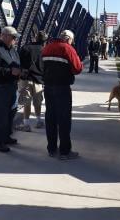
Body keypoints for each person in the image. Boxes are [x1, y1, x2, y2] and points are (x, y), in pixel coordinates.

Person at [42, 30, 83, 159]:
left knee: (50, 118)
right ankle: (64, 151)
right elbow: (77, 69)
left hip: (48, 87)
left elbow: (40, 66)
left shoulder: (47, 47)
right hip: (62, 88)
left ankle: (51, 149)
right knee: (64, 120)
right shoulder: (68, 49)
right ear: (69, 39)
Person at [0, 26, 21, 152]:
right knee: (0, 114)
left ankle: (5, 136)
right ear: (4, 36)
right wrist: (10, 72)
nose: (15, 40)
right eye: (13, 38)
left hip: (11, 86)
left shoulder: (13, 50)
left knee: (11, 111)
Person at [15, 31, 48, 132]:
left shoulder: (26, 48)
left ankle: (26, 124)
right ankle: (38, 121)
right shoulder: (45, 50)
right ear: (45, 41)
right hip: (38, 80)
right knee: (37, 101)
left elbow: (18, 62)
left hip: (25, 78)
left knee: (26, 102)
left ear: (34, 38)